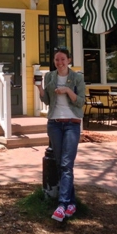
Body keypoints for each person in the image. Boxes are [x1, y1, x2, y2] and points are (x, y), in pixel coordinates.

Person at [36, 47, 86, 222]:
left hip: (72, 124)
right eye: (57, 59)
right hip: (54, 124)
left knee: (66, 163)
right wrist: (39, 88)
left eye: (63, 59)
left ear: (69, 60)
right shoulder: (50, 76)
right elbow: (47, 100)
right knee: (61, 164)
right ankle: (71, 202)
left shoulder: (77, 78)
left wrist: (67, 90)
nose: (60, 62)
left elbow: (80, 102)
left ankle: (62, 205)